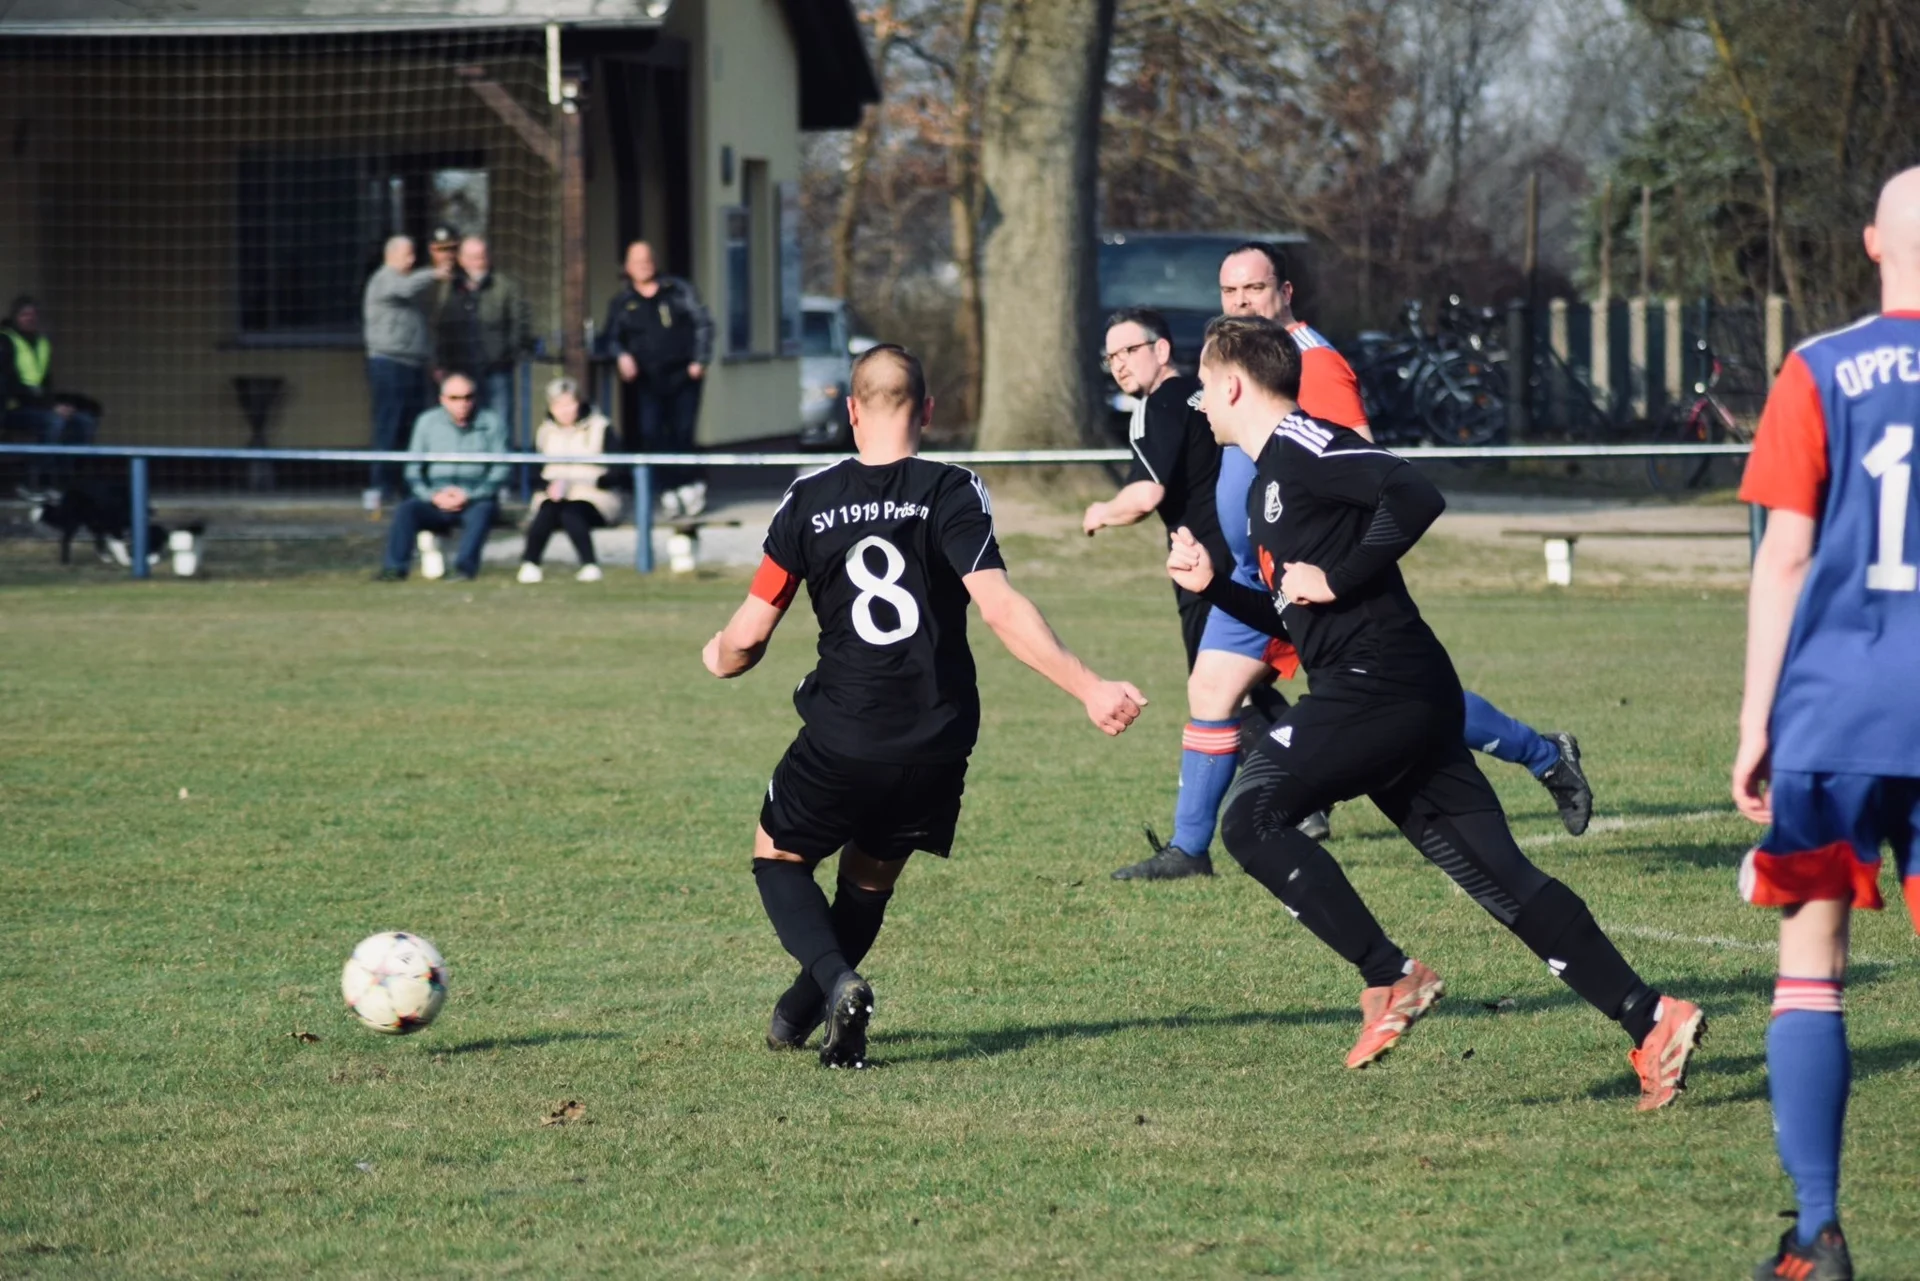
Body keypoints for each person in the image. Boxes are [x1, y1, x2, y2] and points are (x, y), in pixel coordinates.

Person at [1166, 315, 1703, 1105]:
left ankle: (1390, 975)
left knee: (1250, 819)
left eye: (1206, 386)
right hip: (1395, 690)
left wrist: (1341, 576)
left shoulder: (1304, 443)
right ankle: (1652, 1017)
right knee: (1503, 879)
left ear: (1237, 385)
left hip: (1378, 683)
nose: (1199, 403)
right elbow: (1295, 611)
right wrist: (1214, 584)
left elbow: (1415, 492)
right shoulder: (1265, 484)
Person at [702, 344, 1148, 1068]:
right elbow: (1000, 607)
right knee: (867, 881)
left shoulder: (808, 498)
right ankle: (795, 1017)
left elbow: (747, 638)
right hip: (936, 739)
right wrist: (1090, 686)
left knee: (778, 856)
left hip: (845, 730)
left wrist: (716, 654)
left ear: (852, 411)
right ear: (929, 411)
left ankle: (835, 982)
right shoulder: (952, 489)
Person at [1108, 244, 1590, 881]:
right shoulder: (1237, 361)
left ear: (1286, 292)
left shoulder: (1313, 363)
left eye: (1254, 289)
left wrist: (1341, 573)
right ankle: (1189, 850)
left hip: (1311, 574)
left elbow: (1363, 465)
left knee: (1406, 698)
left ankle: (1542, 753)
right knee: (1211, 690)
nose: (1241, 301)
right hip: (1252, 572)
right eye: (1230, 291)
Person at [1734, 167, 1920, 1281]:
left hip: (1836, 712)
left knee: (1811, 961)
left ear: (1870, 244)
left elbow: (1786, 557)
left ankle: (1819, 1229)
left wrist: (1756, 717)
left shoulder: (1818, 367)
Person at [605, 240, 713, 519]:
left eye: (647, 260)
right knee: (652, 434)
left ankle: (690, 486)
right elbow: (612, 338)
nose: (643, 266)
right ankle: (667, 490)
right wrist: (622, 356)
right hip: (647, 380)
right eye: (637, 261)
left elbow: (703, 322)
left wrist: (700, 359)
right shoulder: (623, 302)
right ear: (628, 267)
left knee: (682, 432)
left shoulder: (678, 291)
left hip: (684, 374)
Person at [377, 373, 509, 582]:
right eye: (455, 398)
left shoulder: (491, 423)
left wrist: (471, 494)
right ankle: (395, 568)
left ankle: (464, 570)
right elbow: (413, 468)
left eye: (468, 397)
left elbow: (501, 468)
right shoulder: (426, 422)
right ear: (443, 399)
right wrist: (432, 496)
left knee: (483, 511)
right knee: (406, 510)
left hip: (475, 499)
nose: (462, 403)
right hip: (435, 498)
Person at [363, 236, 448, 508]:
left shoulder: (413, 292)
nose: (412, 260)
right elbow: (405, 287)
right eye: (407, 255)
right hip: (389, 363)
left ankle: (407, 485)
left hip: (414, 365)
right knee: (389, 424)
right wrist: (435, 272)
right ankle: (380, 486)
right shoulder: (384, 280)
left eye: (413, 254)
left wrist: (432, 362)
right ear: (391, 255)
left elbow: (424, 329)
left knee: (412, 428)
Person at [516, 377, 619, 584]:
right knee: (549, 509)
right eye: (558, 405)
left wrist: (586, 482)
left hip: (595, 497)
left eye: (569, 403)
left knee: (572, 511)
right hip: (554, 497)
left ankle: (589, 564)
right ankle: (530, 564)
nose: (565, 411)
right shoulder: (544, 432)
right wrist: (549, 486)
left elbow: (619, 471)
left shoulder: (601, 427)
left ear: (579, 402)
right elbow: (535, 473)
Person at [436, 236, 535, 429]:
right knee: (460, 423)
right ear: (461, 259)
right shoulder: (450, 288)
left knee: (499, 422)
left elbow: (520, 322)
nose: (477, 262)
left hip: (496, 370)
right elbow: (442, 327)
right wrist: (442, 362)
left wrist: (507, 354)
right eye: (472, 257)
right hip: (460, 369)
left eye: (481, 256)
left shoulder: (505, 286)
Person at [2, 297, 99, 487]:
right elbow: (9, 385)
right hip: (11, 408)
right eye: (24, 314)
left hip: (38, 406)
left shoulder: (42, 343)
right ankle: (36, 481)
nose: (30, 318)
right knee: (54, 421)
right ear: (15, 317)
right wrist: (50, 407)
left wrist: (58, 405)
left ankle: (66, 479)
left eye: (33, 314)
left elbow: (46, 385)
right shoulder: (5, 341)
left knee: (84, 421)